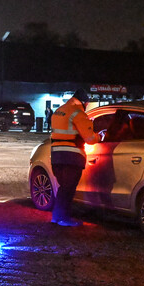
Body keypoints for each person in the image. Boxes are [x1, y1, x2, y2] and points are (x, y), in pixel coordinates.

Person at [49, 88, 99, 226]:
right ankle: (63, 219)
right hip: (71, 156)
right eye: (87, 103)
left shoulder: (60, 110)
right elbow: (89, 138)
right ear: (84, 101)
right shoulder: (78, 113)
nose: (87, 106)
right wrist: (100, 136)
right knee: (68, 188)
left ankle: (56, 217)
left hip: (56, 155)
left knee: (63, 187)